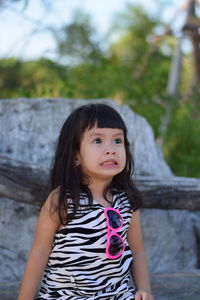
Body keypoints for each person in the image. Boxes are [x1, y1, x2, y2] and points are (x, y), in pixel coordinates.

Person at [18, 103, 153, 300]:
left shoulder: (127, 200)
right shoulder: (62, 199)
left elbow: (137, 251)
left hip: (116, 295)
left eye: (117, 140)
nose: (111, 150)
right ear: (75, 155)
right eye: (98, 140)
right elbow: (40, 251)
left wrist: (144, 289)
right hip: (65, 296)